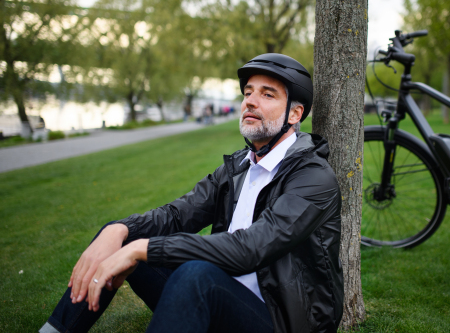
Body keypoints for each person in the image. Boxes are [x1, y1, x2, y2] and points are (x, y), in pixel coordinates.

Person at [39, 53, 344, 333]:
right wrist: (120, 231)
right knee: (122, 236)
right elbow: (177, 214)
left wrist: (142, 250)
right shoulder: (239, 166)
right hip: (221, 297)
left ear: (295, 114)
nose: (251, 101)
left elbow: (249, 249)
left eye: (267, 94)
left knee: (195, 275)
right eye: (248, 92)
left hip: (279, 320)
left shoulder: (313, 177)